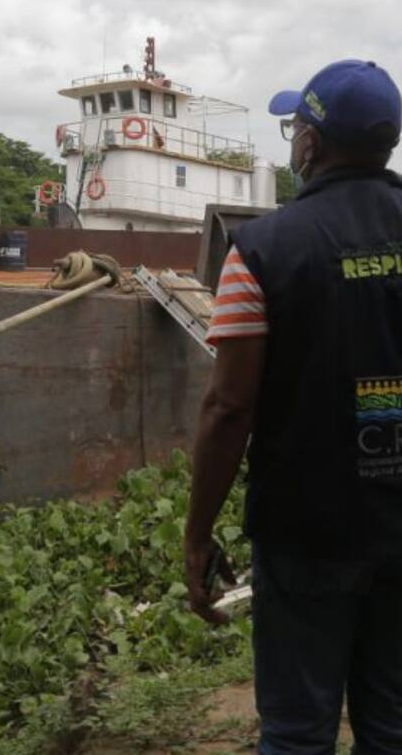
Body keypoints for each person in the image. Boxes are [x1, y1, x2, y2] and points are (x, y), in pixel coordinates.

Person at [184, 59, 402, 753]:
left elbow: (228, 409)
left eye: (295, 125)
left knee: (297, 730)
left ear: (309, 143)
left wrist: (197, 533)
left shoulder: (263, 249)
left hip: (306, 532)